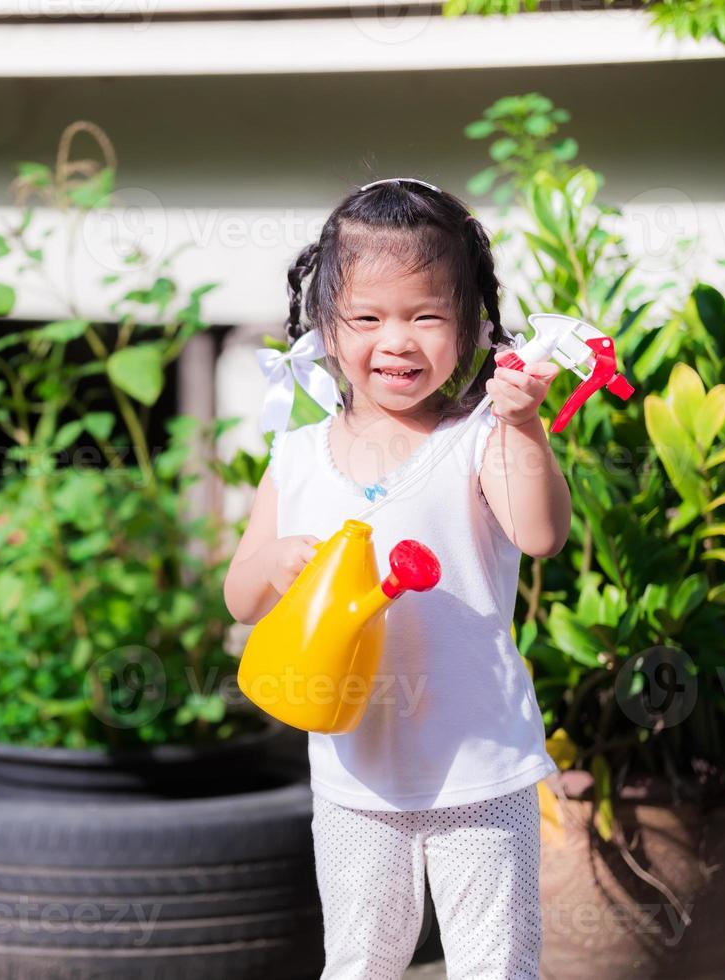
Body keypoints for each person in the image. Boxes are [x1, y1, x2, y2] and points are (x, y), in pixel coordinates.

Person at [222, 177, 569, 980]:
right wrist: (273, 565)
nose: (397, 341)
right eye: (368, 318)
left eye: (426, 316)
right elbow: (239, 596)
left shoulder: (481, 436)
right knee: (358, 960)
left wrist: (522, 425)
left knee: (495, 962)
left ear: (474, 328)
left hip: (479, 759)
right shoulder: (300, 455)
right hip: (352, 770)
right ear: (326, 328)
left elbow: (541, 534)